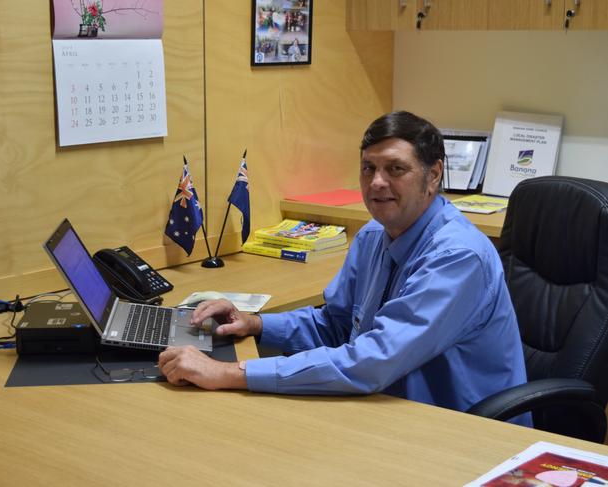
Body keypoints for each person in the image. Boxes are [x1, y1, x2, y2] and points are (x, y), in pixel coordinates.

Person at [158, 111, 530, 424]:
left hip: (459, 432)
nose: (377, 182)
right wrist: (255, 324)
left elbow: (372, 361)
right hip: (386, 412)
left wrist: (226, 373)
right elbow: (334, 325)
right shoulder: (373, 236)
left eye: (395, 169)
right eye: (369, 168)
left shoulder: (458, 257)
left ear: (433, 176)